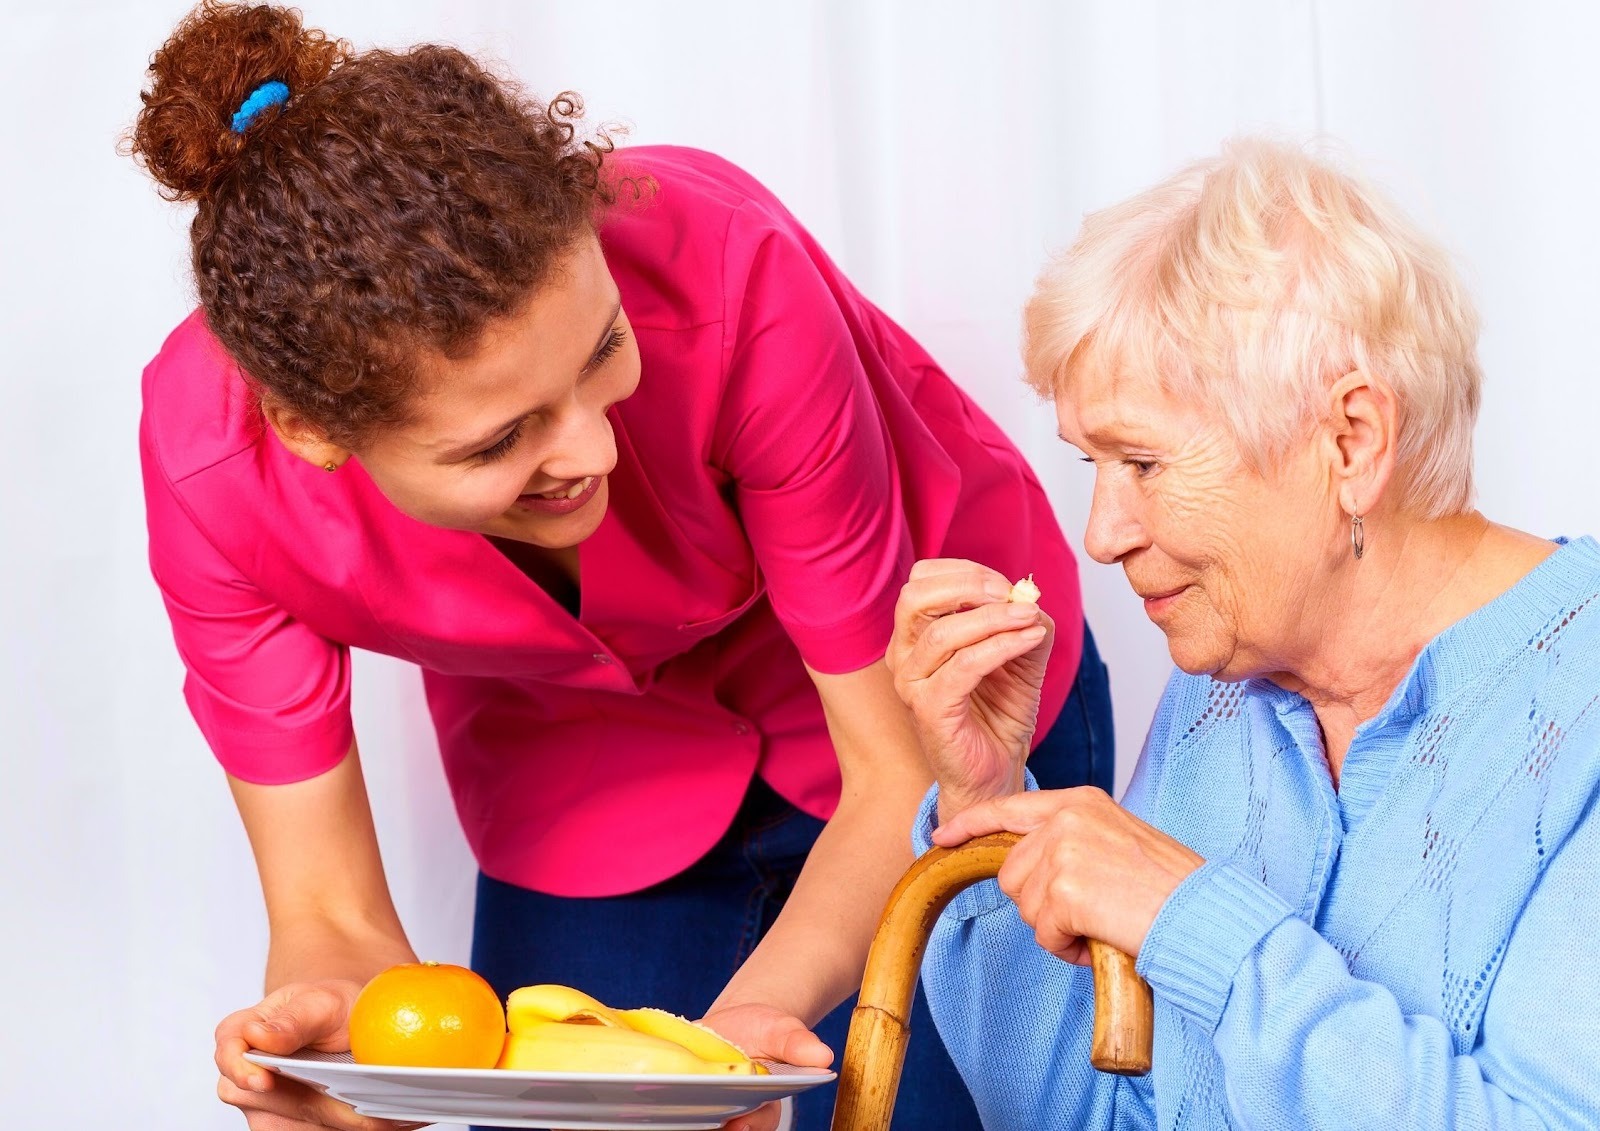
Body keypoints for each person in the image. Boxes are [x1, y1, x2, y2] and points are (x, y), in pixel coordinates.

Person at [127, 4, 1114, 1129]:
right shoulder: (214, 471)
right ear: (312, 430)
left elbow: (895, 774)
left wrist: (732, 1049)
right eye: (499, 439)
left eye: (604, 350)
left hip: (919, 702)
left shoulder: (729, 264)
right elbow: (328, 911)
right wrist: (340, 1035)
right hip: (585, 762)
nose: (595, 451)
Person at [889, 137, 1600, 1128]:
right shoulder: (1223, 694)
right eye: (1093, 465)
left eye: (1140, 462)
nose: (1101, 536)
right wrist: (986, 796)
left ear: (1350, 441)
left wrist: (1192, 922)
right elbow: (1080, 1114)